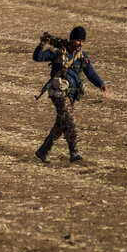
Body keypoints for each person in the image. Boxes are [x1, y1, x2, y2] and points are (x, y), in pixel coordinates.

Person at [32, 26, 108, 163]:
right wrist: (41, 44)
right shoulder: (59, 52)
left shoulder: (82, 56)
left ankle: (44, 150)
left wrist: (100, 84)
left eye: (82, 41)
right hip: (59, 93)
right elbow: (37, 57)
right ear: (72, 40)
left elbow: (90, 72)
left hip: (72, 95)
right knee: (70, 120)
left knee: (61, 124)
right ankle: (74, 151)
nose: (81, 44)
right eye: (78, 40)